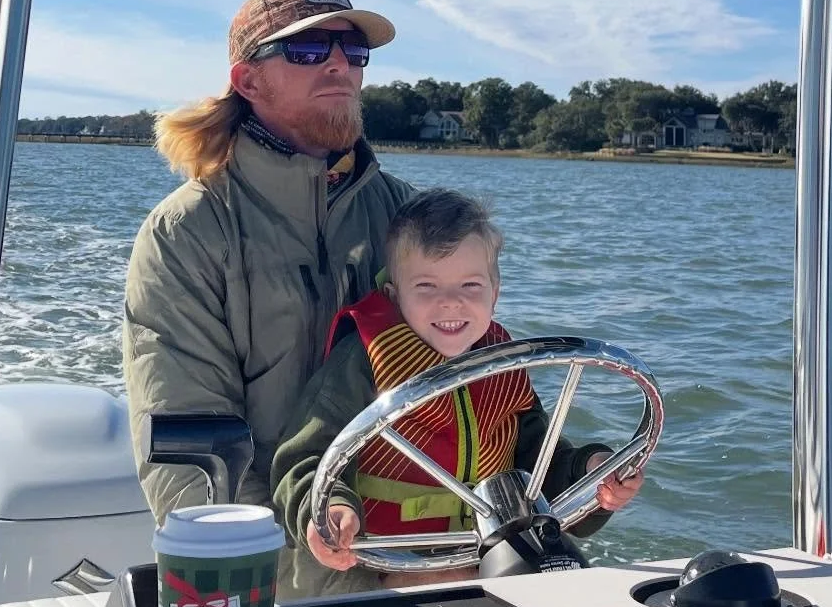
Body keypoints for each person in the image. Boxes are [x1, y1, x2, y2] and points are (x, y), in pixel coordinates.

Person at [122, 0, 412, 595]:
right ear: (249, 81)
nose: (340, 63)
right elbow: (191, 446)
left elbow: (480, 386)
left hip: (423, 557)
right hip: (283, 584)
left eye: (353, 51)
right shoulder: (187, 232)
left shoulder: (412, 219)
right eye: (309, 50)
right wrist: (292, 585)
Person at [272, 188, 644, 577]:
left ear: (494, 294)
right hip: (381, 563)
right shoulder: (363, 360)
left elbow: (539, 457)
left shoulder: (504, 363)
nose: (450, 302)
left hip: (486, 554)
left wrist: (591, 473)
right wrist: (330, 510)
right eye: (427, 287)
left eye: (470, 286)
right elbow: (303, 458)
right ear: (394, 297)